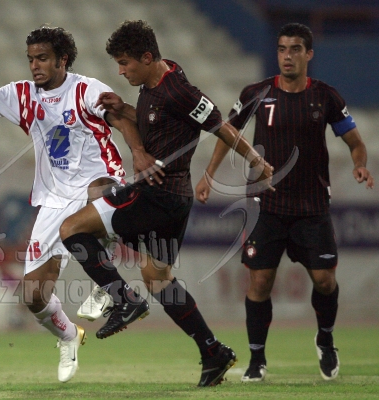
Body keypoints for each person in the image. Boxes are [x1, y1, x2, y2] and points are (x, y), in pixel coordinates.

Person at [59, 20, 275, 387]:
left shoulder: (179, 90)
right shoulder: (155, 83)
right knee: (157, 279)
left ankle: (123, 299)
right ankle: (213, 352)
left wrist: (258, 161)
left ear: (146, 57)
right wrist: (125, 109)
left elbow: (222, 126)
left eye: (125, 63)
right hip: (175, 200)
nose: (121, 71)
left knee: (71, 228)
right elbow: (155, 121)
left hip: (156, 196)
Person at [0, 26, 157, 383]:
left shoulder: (86, 89)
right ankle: (69, 336)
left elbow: (120, 118)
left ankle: (111, 288)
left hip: (100, 179)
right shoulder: (22, 95)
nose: (34, 66)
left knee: (98, 196)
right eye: (30, 59)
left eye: (42, 58)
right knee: (33, 295)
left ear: (62, 60)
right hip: (54, 200)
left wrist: (138, 152)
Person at [196, 23, 374, 382]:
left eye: (295, 49)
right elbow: (227, 132)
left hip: (312, 206)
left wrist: (360, 164)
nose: (287, 56)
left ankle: (325, 339)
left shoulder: (326, 97)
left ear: (309, 54)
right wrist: (209, 173)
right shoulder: (256, 93)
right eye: (281, 49)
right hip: (266, 206)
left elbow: (355, 142)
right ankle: (257, 360)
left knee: (324, 281)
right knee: (260, 283)